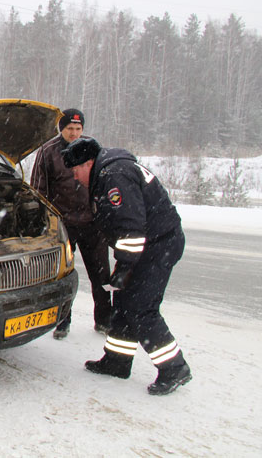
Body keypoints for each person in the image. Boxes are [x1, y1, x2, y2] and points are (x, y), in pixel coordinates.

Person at [61, 137, 192, 395]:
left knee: (141, 308)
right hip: (147, 245)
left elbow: (132, 229)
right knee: (123, 304)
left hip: (158, 245)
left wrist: (123, 268)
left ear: (88, 163)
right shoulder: (108, 170)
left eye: (76, 171)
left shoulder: (114, 176)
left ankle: (174, 367)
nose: (75, 177)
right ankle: (117, 361)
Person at [31, 109, 111, 339]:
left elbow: (103, 182)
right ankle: (63, 320)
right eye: (70, 129)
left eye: (78, 129)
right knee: (63, 275)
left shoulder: (91, 147)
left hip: (92, 223)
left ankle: (104, 320)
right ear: (61, 129)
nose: (74, 134)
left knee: (101, 275)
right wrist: (46, 222)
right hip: (63, 225)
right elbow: (39, 190)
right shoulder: (48, 151)